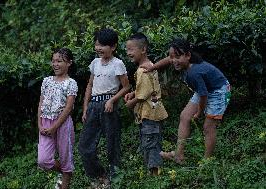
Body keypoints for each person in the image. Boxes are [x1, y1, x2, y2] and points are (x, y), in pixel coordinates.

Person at [141, 38, 231, 164]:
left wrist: (199, 112)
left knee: (208, 127)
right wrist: (152, 67)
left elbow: (203, 95)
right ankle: (179, 155)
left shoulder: (194, 73)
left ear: (188, 55)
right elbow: (168, 59)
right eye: (172, 57)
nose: (174, 61)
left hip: (219, 91)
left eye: (177, 57)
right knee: (185, 116)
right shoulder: (185, 63)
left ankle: (207, 161)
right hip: (205, 89)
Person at [78, 28, 130, 187]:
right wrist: (85, 107)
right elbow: (89, 85)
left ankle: (115, 177)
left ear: (113, 47)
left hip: (109, 106)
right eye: (96, 45)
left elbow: (126, 87)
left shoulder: (118, 63)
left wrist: (112, 100)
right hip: (93, 105)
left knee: (112, 143)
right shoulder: (94, 63)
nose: (98, 48)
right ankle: (99, 175)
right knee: (84, 145)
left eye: (102, 45)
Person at [124, 33, 168, 175]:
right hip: (154, 111)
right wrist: (134, 93)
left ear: (143, 49)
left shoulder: (142, 70)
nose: (128, 53)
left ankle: (155, 175)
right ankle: (155, 171)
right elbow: (149, 89)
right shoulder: (150, 65)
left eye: (131, 49)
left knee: (150, 144)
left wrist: (132, 102)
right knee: (153, 142)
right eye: (127, 49)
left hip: (149, 113)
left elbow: (144, 94)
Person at [37, 48, 78, 189]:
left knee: (65, 157)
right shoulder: (46, 81)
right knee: (43, 160)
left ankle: (65, 181)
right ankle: (66, 172)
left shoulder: (71, 83)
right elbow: (41, 104)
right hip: (45, 123)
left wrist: (55, 127)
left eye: (59, 61)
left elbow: (68, 108)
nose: (55, 64)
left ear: (69, 63)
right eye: (53, 61)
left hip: (62, 124)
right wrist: (39, 124)